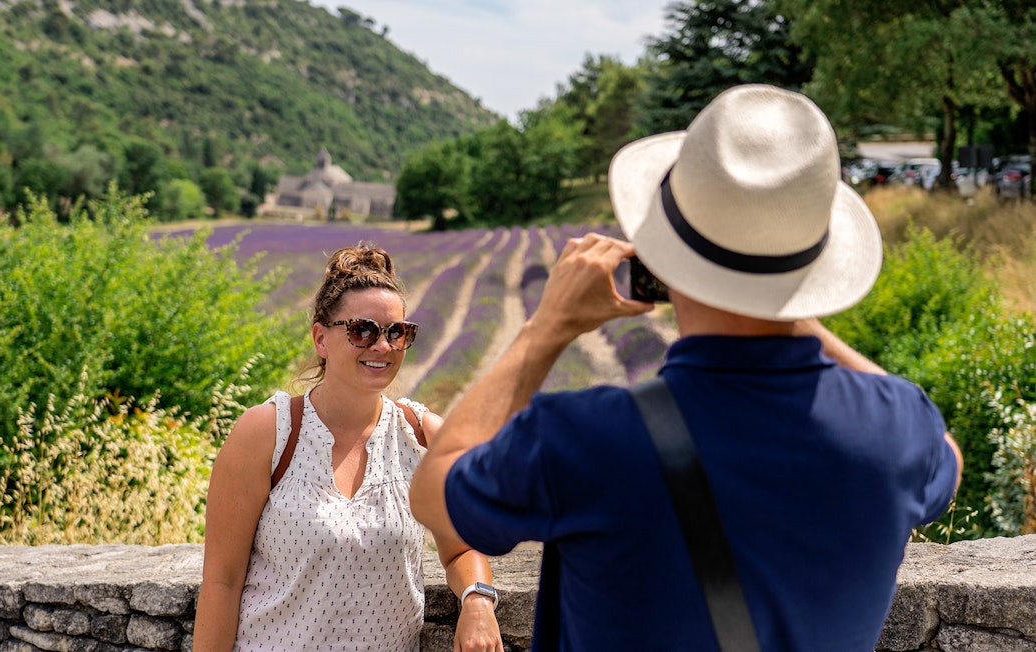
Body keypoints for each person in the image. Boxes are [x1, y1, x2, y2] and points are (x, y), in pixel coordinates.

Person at [409, 84, 963, 651]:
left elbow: (433, 494)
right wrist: (790, 311)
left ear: (664, 253)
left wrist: (546, 326)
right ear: (815, 264)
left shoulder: (584, 438)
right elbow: (948, 451)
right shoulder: (897, 428)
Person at [194, 244, 503, 651]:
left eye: (397, 332)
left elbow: (462, 545)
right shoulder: (268, 432)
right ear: (321, 338)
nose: (383, 346)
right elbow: (222, 580)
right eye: (362, 330)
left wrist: (478, 601)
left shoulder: (422, 437)